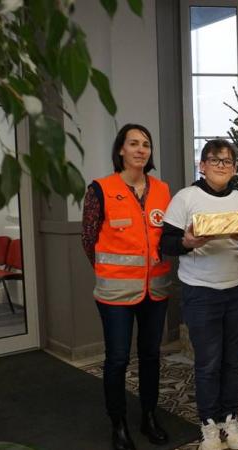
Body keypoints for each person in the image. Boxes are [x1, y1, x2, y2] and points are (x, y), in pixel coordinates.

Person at [160, 139, 238, 450]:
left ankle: (229, 418)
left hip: (237, 290)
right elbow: (166, 245)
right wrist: (189, 242)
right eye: (214, 160)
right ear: (202, 166)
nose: (221, 165)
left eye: (227, 161)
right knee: (207, 362)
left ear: (234, 168)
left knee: (232, 361)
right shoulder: (185, 198)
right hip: (200, 291)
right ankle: (208, 424)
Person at [81, 124, 172, 450]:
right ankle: (118, 424)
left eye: (145, 144)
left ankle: (148, 416)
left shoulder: (162, 189)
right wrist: (111, 270)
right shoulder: (100, 189)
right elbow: (88, 240)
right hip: (115, 293)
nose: (140, 149)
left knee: (150, 356)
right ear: (121, 149)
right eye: (133, 143)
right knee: (117, 359)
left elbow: (169, 237)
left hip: (156, 289)